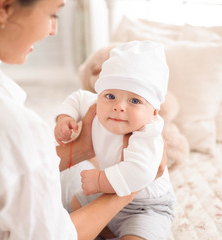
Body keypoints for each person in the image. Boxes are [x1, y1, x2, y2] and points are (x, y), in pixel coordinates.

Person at [0, 0, 167, 239]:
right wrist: (130, 188)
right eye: (52, 14)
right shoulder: (10, 127)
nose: (53, 29)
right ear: (5, 7)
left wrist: (80, 150)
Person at [55, 41, 176, 240]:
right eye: (110, 95)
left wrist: (100, 180)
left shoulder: (148, 133)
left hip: (145, 207)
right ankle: (107, 231)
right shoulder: (97, 105)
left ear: (154, 112)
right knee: (75, 204)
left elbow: (140, 172)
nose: (119, 106)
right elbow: (77, 98)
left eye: (135, 101)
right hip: (105, 191)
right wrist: (65, 117)